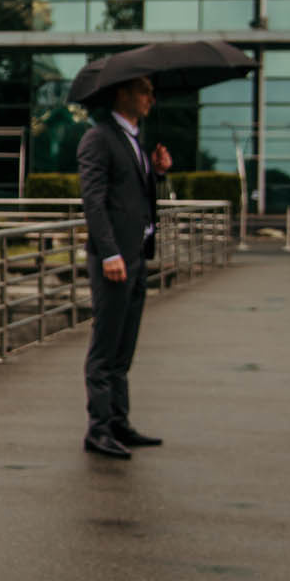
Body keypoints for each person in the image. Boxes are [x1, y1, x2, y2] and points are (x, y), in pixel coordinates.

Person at [77, 76, 172, 460]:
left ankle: (118, 422)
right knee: (105, 347)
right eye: (145, 91)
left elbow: (136, 200)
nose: (151, 97)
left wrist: (159, 173)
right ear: (123, 94)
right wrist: (109, 253)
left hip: (136, 255)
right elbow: (94, 202)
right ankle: (98, 429)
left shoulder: (135, 141)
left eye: (152, 91)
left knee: (124, 348)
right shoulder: (99, 138)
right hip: (114, 259)